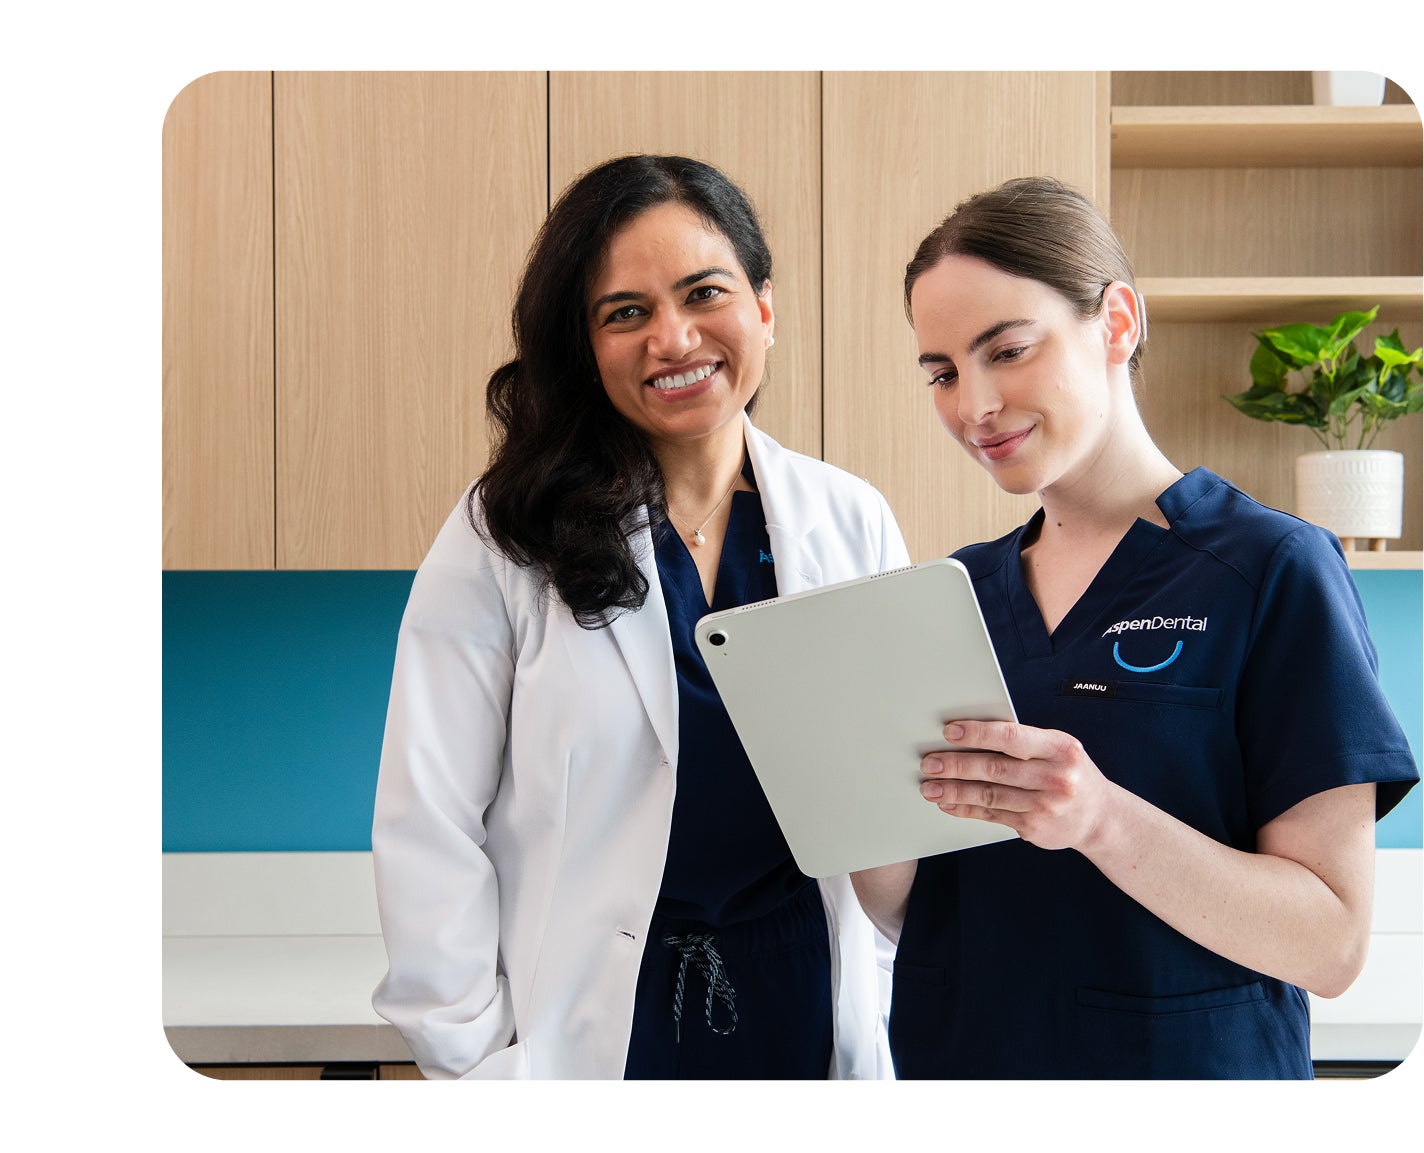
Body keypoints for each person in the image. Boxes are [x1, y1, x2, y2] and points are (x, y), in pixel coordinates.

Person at [851, 176, 1419, 1079]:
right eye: (944, 372)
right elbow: (920, 917)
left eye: (1008, 350)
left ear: (1116, 323)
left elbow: (1332, 942)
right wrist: (849, 801)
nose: (975, 405)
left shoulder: (1271, 568)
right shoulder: (953, 594)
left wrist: (1100, 817)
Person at [370, 154, 909, 1079]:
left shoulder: (849, 520)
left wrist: (886, 998)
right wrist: (476, 1059)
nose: (673, 338)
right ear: (586, 346)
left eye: (704, 293)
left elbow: (896, 811)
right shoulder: (503, 535)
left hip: (804, 1010)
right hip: (593, 1032)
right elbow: (429, 818)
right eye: (625, 312)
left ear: (765, 308)